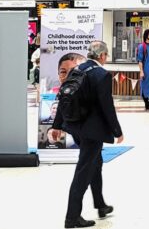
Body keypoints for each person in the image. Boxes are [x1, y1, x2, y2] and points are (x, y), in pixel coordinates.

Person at [50, 41, 123, 228]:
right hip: (93, 132)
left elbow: (64, 97)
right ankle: (72, 217)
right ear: (103, 56)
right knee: (83, 171)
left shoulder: (76, 70)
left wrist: (57, 125)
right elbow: (107, 106)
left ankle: (100, 205)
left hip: (76, 127)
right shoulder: (101, 75)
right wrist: (117, 131)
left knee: (95, 164)